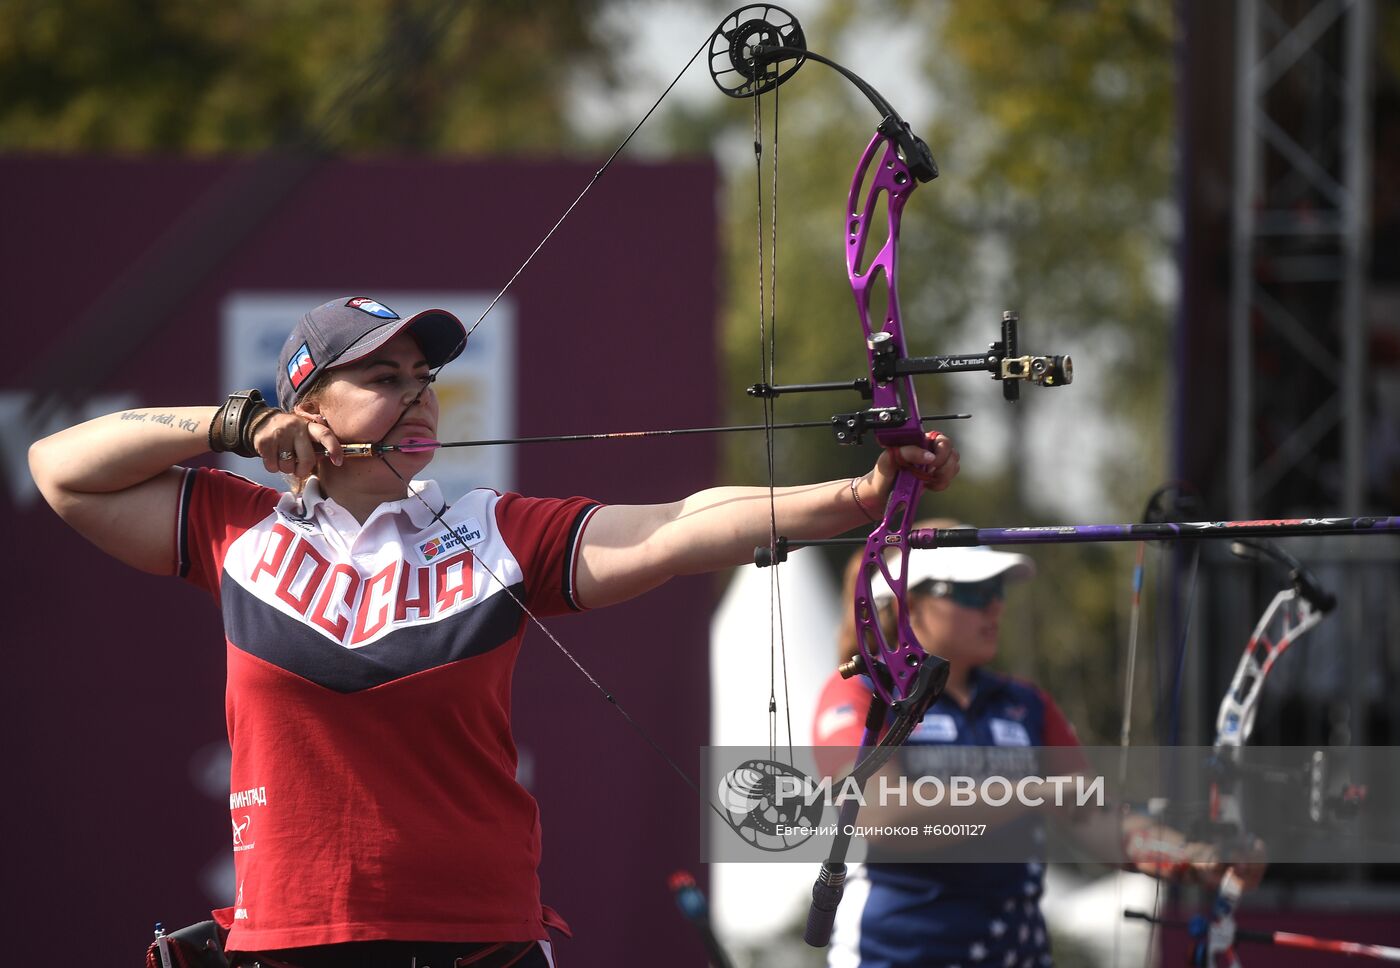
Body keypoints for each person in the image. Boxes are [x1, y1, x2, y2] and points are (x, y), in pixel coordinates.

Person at [28, 295, 958, 968]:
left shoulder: (493, 532)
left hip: (477, 940)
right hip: (292, 938)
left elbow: (678, 524)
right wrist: (230, 422)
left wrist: (860, 494)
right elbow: (59, 466)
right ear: (308, 412)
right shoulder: (237, 527)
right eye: (383, 378)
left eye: (425, 379)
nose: (419, 395)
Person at [812, 525, 1260, 968]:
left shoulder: (1025, 703)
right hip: (894, 957)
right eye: (972, 592)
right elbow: (879, 814)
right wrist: (1034, 791)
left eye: (998, 590)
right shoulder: (860, 692)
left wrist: (1194, 858)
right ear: (909, 603)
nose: (995, 605)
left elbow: (1094, 817)